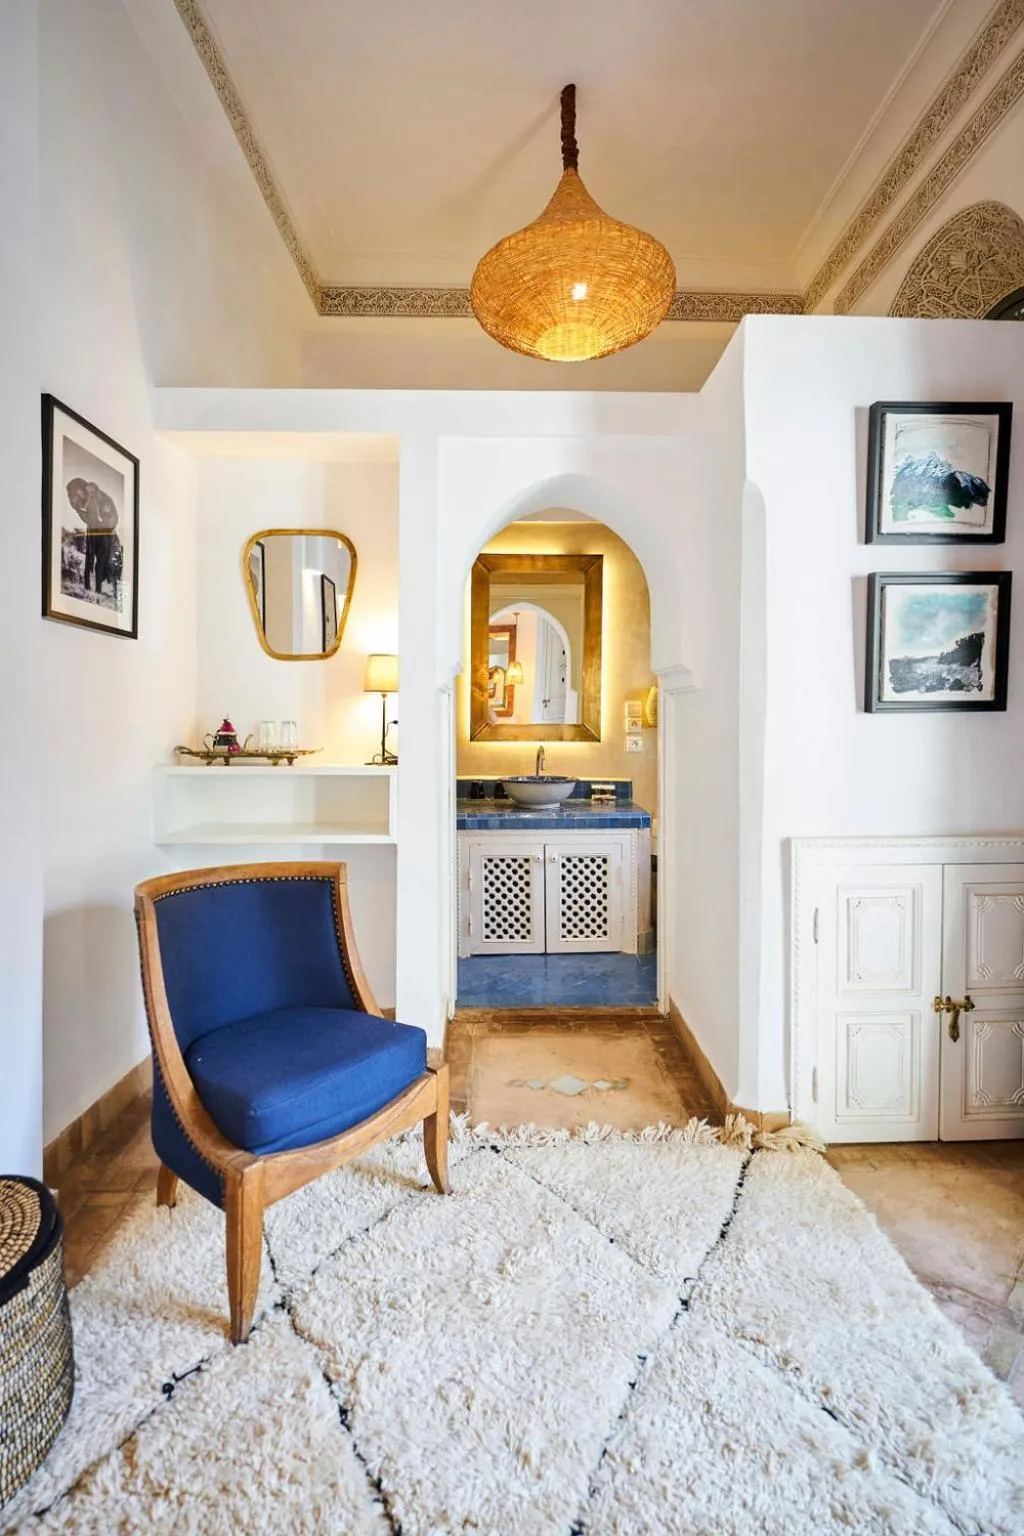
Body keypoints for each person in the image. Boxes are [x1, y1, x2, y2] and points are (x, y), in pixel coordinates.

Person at [66, 477, 122, 598]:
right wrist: (81, 512)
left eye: (78, 491)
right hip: (93, 531)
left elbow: (112, 517)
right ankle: (89, 585)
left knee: (101, 560)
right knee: (90, 558)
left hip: (105, 533)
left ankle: (98, 588)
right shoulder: (82, 503)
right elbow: (86, 516)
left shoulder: (98, 496)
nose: (78, 494)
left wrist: (104, 523)